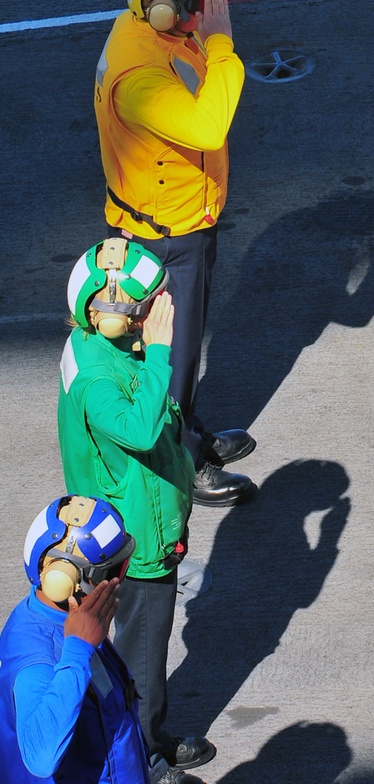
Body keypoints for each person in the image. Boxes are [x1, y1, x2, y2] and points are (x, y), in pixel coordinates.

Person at [94, 0, 255, 504]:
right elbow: (208, 127)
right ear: (166, 10)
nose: (206, 12)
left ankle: (187, 433)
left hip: (180, 224)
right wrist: (221, 43)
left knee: (180, 352)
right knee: (169, 355)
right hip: (165, 239)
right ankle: (181, 469)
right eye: (199, 4)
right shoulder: (141, 76)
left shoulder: (146, 30)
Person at [58, 239, 213, 784]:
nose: (158, 311)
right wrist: (164, 351)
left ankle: (151, 736)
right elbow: (142, 429)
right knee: (141, 658)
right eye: (148, 305)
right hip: (139, 543)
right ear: (108, 314)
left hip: (146, 524)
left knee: (142, 653)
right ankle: (143, 759)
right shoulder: (100, 381)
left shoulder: (111, 348)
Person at [0, 494, 146, 784]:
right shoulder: (37, 662)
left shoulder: (75, 618)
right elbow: (40, 758)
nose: (120, 580)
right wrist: (78, 648)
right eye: (115, 571)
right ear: (68, 581)